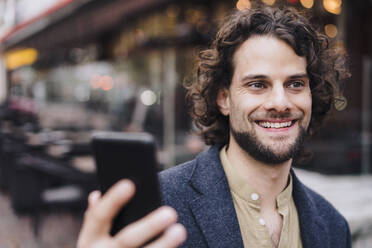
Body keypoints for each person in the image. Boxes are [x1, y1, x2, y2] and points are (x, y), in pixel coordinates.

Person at [77, 5, 351, 248]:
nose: (280, 102)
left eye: (295, 84)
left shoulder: (333, 226)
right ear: (224, 99)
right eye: (257, 85)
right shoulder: (159, 207)